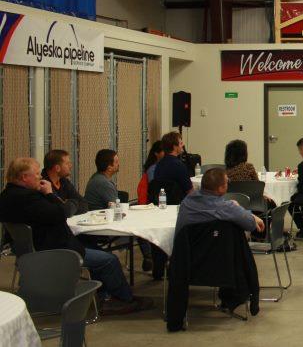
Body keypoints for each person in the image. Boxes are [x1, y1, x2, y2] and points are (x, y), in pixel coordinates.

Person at [0, 158, 152, 315]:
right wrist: (50, 194)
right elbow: (61, 213)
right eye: (37, 174)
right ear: (24, 177)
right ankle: (124, 299)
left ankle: (105, 296)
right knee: (109, 260)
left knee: (94, 248)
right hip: (54, 251)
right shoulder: (29, 199)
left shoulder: (7, 196)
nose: (40, 177)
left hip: (30, 253)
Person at [175, 167, 265, 311]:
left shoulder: (186, 202)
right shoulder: (224, 207)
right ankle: (237, 294)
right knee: (234, 231)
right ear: (222, 188)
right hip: (219, 265)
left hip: (185, 263)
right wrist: (244, 210)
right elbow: (250, 225)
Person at [41, 149, 87, 216]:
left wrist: (69, 204)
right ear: (57, 168)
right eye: (67, 163)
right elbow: (62, 211)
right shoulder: (43, 185)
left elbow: (84, 204)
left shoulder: (64, 181)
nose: (71, 166)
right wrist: (73, 204)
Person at [154, 131, 195, 196]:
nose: (183, 145)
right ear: (174, 147)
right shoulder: (179, 166)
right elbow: (189, 190)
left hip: (162, 200)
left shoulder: (159, 164)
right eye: (181, 143)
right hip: (179, 202)